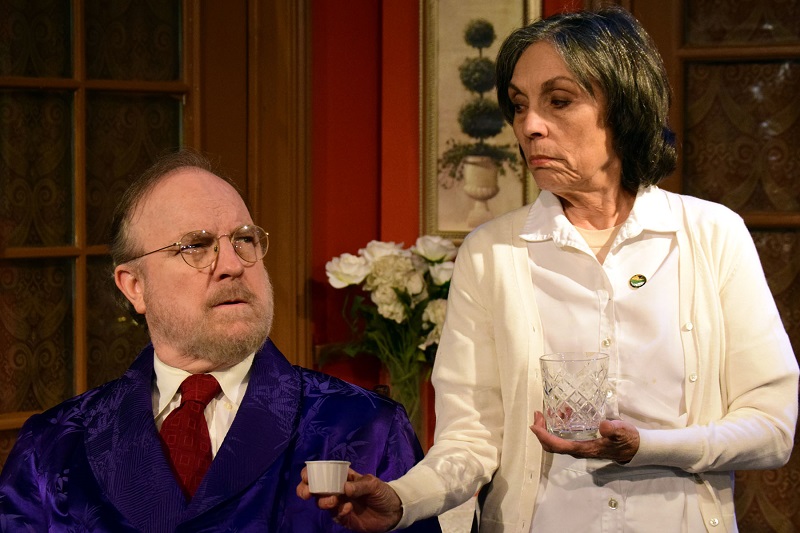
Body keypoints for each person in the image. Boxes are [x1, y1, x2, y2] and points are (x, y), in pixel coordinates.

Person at [297, 7, 799, 532]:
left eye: (559, 101)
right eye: (519, 106)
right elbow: (470, 438)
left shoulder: (711, 234)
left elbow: (770, 429)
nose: (530, 126)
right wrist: (401, 499)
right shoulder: (492, 252)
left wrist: (646, 447)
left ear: (625, 106)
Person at [0, 150, 441, 533]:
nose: (232, 264)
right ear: (134, 286)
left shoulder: (368, 430)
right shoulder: (51, 448)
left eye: (244, 240)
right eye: (197, 245)